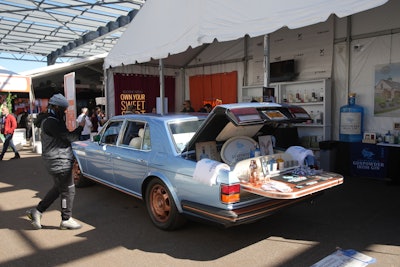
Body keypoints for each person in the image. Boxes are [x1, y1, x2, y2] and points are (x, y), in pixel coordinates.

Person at [26, 93, 85, 230]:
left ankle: (38, 211)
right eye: (63, 109)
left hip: (54, 160)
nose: (64, 112)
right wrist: (80, 127)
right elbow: (70, 137)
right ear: (56, 107)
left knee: (58, 188)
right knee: (68, 189)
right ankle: (66, 219)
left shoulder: (49, 120)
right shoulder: (52, 122)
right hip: (59, 161)